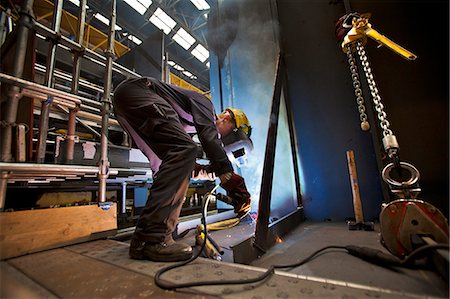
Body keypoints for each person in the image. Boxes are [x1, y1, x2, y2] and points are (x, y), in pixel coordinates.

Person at [112, 77, 252, 262]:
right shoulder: (205, 105)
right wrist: (227, 175)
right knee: (185, 149)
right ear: (226, 118)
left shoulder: (185, 125)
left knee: (175, 157)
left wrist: (214, 173)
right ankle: (153, 239)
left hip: (127, 102)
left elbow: (183, 165)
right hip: (137, 92)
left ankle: (144, 241)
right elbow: (209, 137)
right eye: (229, 133)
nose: (223, 140)